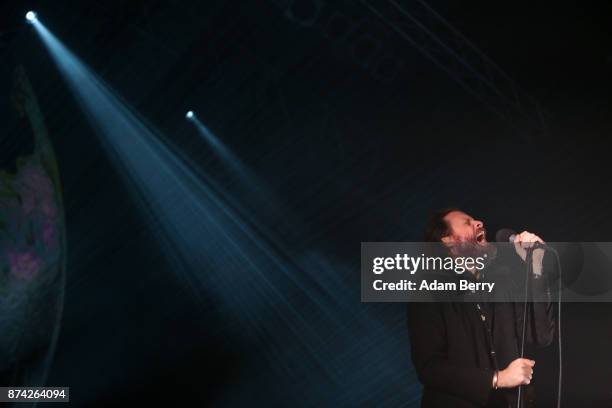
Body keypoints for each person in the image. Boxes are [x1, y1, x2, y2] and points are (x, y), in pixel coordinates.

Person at [407, 208, 555, 407]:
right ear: (448, 241)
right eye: (467, 223)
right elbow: (430, 367)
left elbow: (541, 335)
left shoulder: (501, 283)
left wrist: (535, 267)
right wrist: (497, 379)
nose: (479, 222)